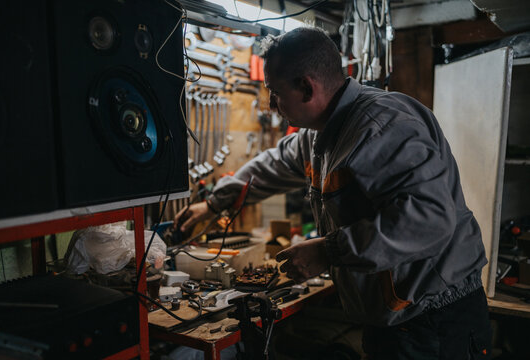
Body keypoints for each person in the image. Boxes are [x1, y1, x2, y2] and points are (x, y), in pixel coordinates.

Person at [175, 27, 492, 359]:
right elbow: (275, 164)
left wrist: (328, 252)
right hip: (396, 317)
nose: (271, 105)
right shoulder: (322, 134)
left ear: (307, 87)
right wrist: (213, 204)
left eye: (274, 92)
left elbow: (429, 219)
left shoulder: (382, 127)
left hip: (435, 321)